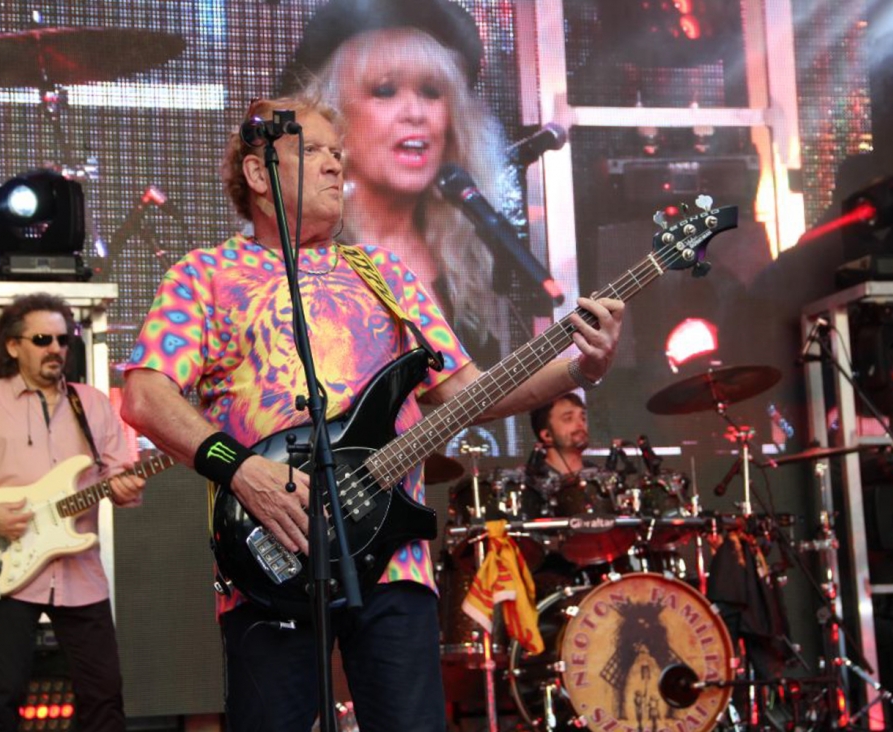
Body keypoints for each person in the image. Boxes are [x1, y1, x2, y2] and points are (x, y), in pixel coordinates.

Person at [121, 93, 623, 732]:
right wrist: (242, 469)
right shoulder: (205, 275)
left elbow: (471, 393)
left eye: (338, 154)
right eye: (314, 151)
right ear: (257, 173)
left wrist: (582, 369)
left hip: (391, 557)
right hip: (271, 549)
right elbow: (146, 395)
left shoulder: (384, 272)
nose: (336, 166)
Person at [283, 0, 528, 458]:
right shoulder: (300, 261)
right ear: (331, 119)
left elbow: (474, 394)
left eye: (432, 93)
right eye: (385, 91)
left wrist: (580, 369)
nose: (415, 113)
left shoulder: (478, 260)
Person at [0, 293, 145, 732]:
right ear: (13, 346)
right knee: (2, 697)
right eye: (43, 339)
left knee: (104, 696)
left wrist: (125, 487)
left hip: (80, 574)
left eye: (63, 340)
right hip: (7, 565)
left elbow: (118, 474)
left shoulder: (93, 402)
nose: (56, 349)